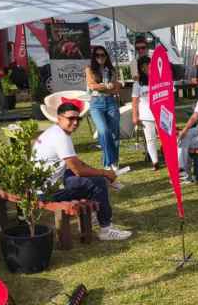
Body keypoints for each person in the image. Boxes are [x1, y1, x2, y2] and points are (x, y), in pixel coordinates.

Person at [34, 102, 131, 241]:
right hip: (47, 192)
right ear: (59, 118)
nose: (75, 123)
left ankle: (93, 216)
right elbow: (79, 170)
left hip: (42, 185)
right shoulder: (61, 137)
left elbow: (76, 163)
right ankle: (105, 229)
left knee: (88, 178)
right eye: (70, 119)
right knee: (97, 183)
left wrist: (101, 172)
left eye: (78, 119)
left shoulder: (54, 131)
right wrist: (105, 173)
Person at [85, 46, 122, 170]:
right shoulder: (89, 69)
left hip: (111, 102)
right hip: (96, 103)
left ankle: (113, 162)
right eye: (98, 55)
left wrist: (105, 86)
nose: (100, 57)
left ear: (106, 56)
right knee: (103, 130)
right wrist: (108, 86)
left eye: (103, 55)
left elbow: (116, 88)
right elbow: (92, 86)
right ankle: (109, 161)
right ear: (94, 57)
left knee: (114, 132)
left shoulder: (111, 70)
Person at [131, 56, 159, 171]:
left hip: (160, 113)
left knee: (164, 137)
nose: (147, 68)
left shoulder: (160, 79)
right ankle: (155, 162)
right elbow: (135, 100)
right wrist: (135, 116)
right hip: (146, 114)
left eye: (149, 65)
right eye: (143, 66)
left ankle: (170, 157)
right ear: (140, 68)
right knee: (150, 139)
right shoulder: (138, 83)